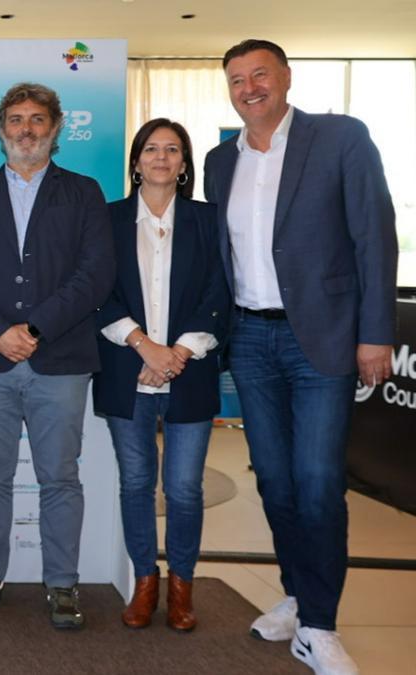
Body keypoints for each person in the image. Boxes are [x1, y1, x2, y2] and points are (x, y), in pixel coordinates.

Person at [204, 39, 397, 674]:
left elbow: (374, 236)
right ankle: (297, 594)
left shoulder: (340, 138)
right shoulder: (218, 160)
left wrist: (375, 333)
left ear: (286, 78)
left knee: (318, 484)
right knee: (276, 480)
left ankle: (319, 625)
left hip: (324, 339)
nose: (249, 87)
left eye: (260, 74)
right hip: (251, 341)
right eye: (237, 79)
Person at [0, 82, 115, 628]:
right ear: (0, 130)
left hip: (60, 359)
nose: (27, 129)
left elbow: (94, 275)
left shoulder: (85, 192)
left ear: (56, 128)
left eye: (37, 119)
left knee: (60, 477)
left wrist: (35, 326)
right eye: (16, 119)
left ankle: (63, 584)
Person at [93, 118, 230, 632]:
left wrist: (177, 353)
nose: (161, 157)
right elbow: (98, 292)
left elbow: (220, 293)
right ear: (136, 161)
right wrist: (144, 347)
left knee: (184, 489)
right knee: (135, 483)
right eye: (152, 149)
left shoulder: (207, 220)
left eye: (173, 150)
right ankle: (145, 582)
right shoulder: (107, 219)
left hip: (188, 371)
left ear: (184, 163)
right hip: (126, 369)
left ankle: (182, 586)